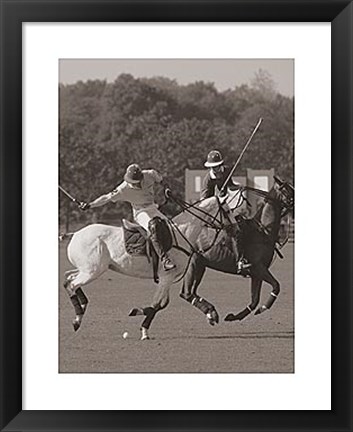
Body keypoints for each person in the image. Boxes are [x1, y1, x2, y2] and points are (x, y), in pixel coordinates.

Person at [79, 163, 176, 271]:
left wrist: (167, 189)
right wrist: (90, 205)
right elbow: (106, 198)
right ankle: (164, 259)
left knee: (171, 228)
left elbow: (163, 181)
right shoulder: (122, 189)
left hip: (153, 208)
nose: (135, 185)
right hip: (141, 212)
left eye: (137, 182)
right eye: (132, 183)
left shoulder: (150, 174)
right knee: (153, 226)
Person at [201, 150, 251, 274]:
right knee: (232, 229)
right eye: (213, 167)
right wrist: (216, 200)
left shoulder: (227, 171)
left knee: (237, 228)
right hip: (213, 205)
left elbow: (231, 185)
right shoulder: (207, 179)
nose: (215, 169)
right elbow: (204, 199)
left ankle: (241, 260)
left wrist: (238, 187)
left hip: (225, 203)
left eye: (217, 166)